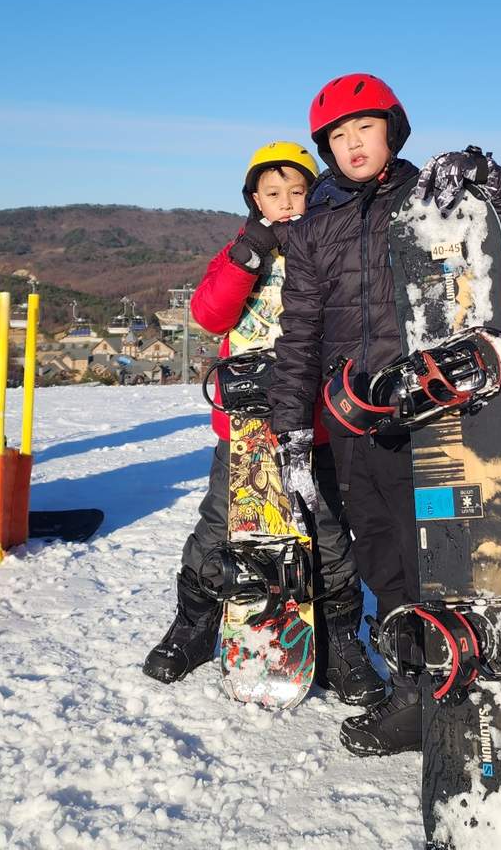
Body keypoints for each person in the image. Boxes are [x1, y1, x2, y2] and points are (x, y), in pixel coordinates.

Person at [270, 73, 501, 756]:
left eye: (363, 126)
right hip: (359, 421)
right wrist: (292, 431)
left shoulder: (437, 199)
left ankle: (473, 674)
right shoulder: (310, 229)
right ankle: (414, 692)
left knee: (447, 559)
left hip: (436, 413)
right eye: (336, 134)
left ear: (392, 128)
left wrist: (495, 186)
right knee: (383, 562)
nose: (351, 143)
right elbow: (297, 335)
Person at [142, 141, 383, 709]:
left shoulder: (330, 247)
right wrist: (250, 252)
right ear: (254, 199)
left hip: (315, 424)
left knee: (324, 528)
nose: (286, 204)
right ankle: (194, 623)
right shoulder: (239, 252)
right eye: (272, 194)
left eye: (297, 192)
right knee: (222, 522)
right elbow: (208, 315)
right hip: (245, 425)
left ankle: (340, 640)